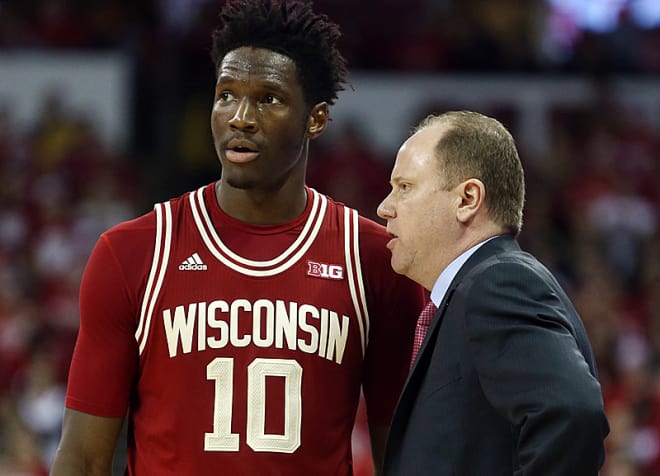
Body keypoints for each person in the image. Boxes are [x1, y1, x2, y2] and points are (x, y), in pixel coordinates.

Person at [49, 1, 425, 474]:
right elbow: (82, 457)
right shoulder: (133, 252)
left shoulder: (372, 260)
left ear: (316, 120)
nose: (239, 117)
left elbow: (404, 456)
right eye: (226, 94)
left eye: (268, 98)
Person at [377, 110, 610, 475]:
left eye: (404, 187)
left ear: (468, 198)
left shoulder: (498, 284)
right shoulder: (473, 292)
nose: (384, 207)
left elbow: (571, 414)